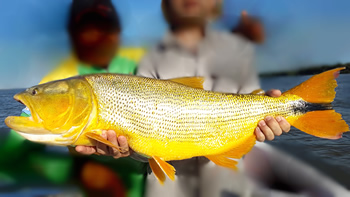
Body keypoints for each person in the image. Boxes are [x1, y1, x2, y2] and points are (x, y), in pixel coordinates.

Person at [77, 0, 290, 196]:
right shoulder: (150, 59)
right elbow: (143, 148)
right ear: (166, 5)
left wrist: (270, 117)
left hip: (228, 185)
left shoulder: (241, 53)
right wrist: (126, 150)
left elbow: (255, 107)